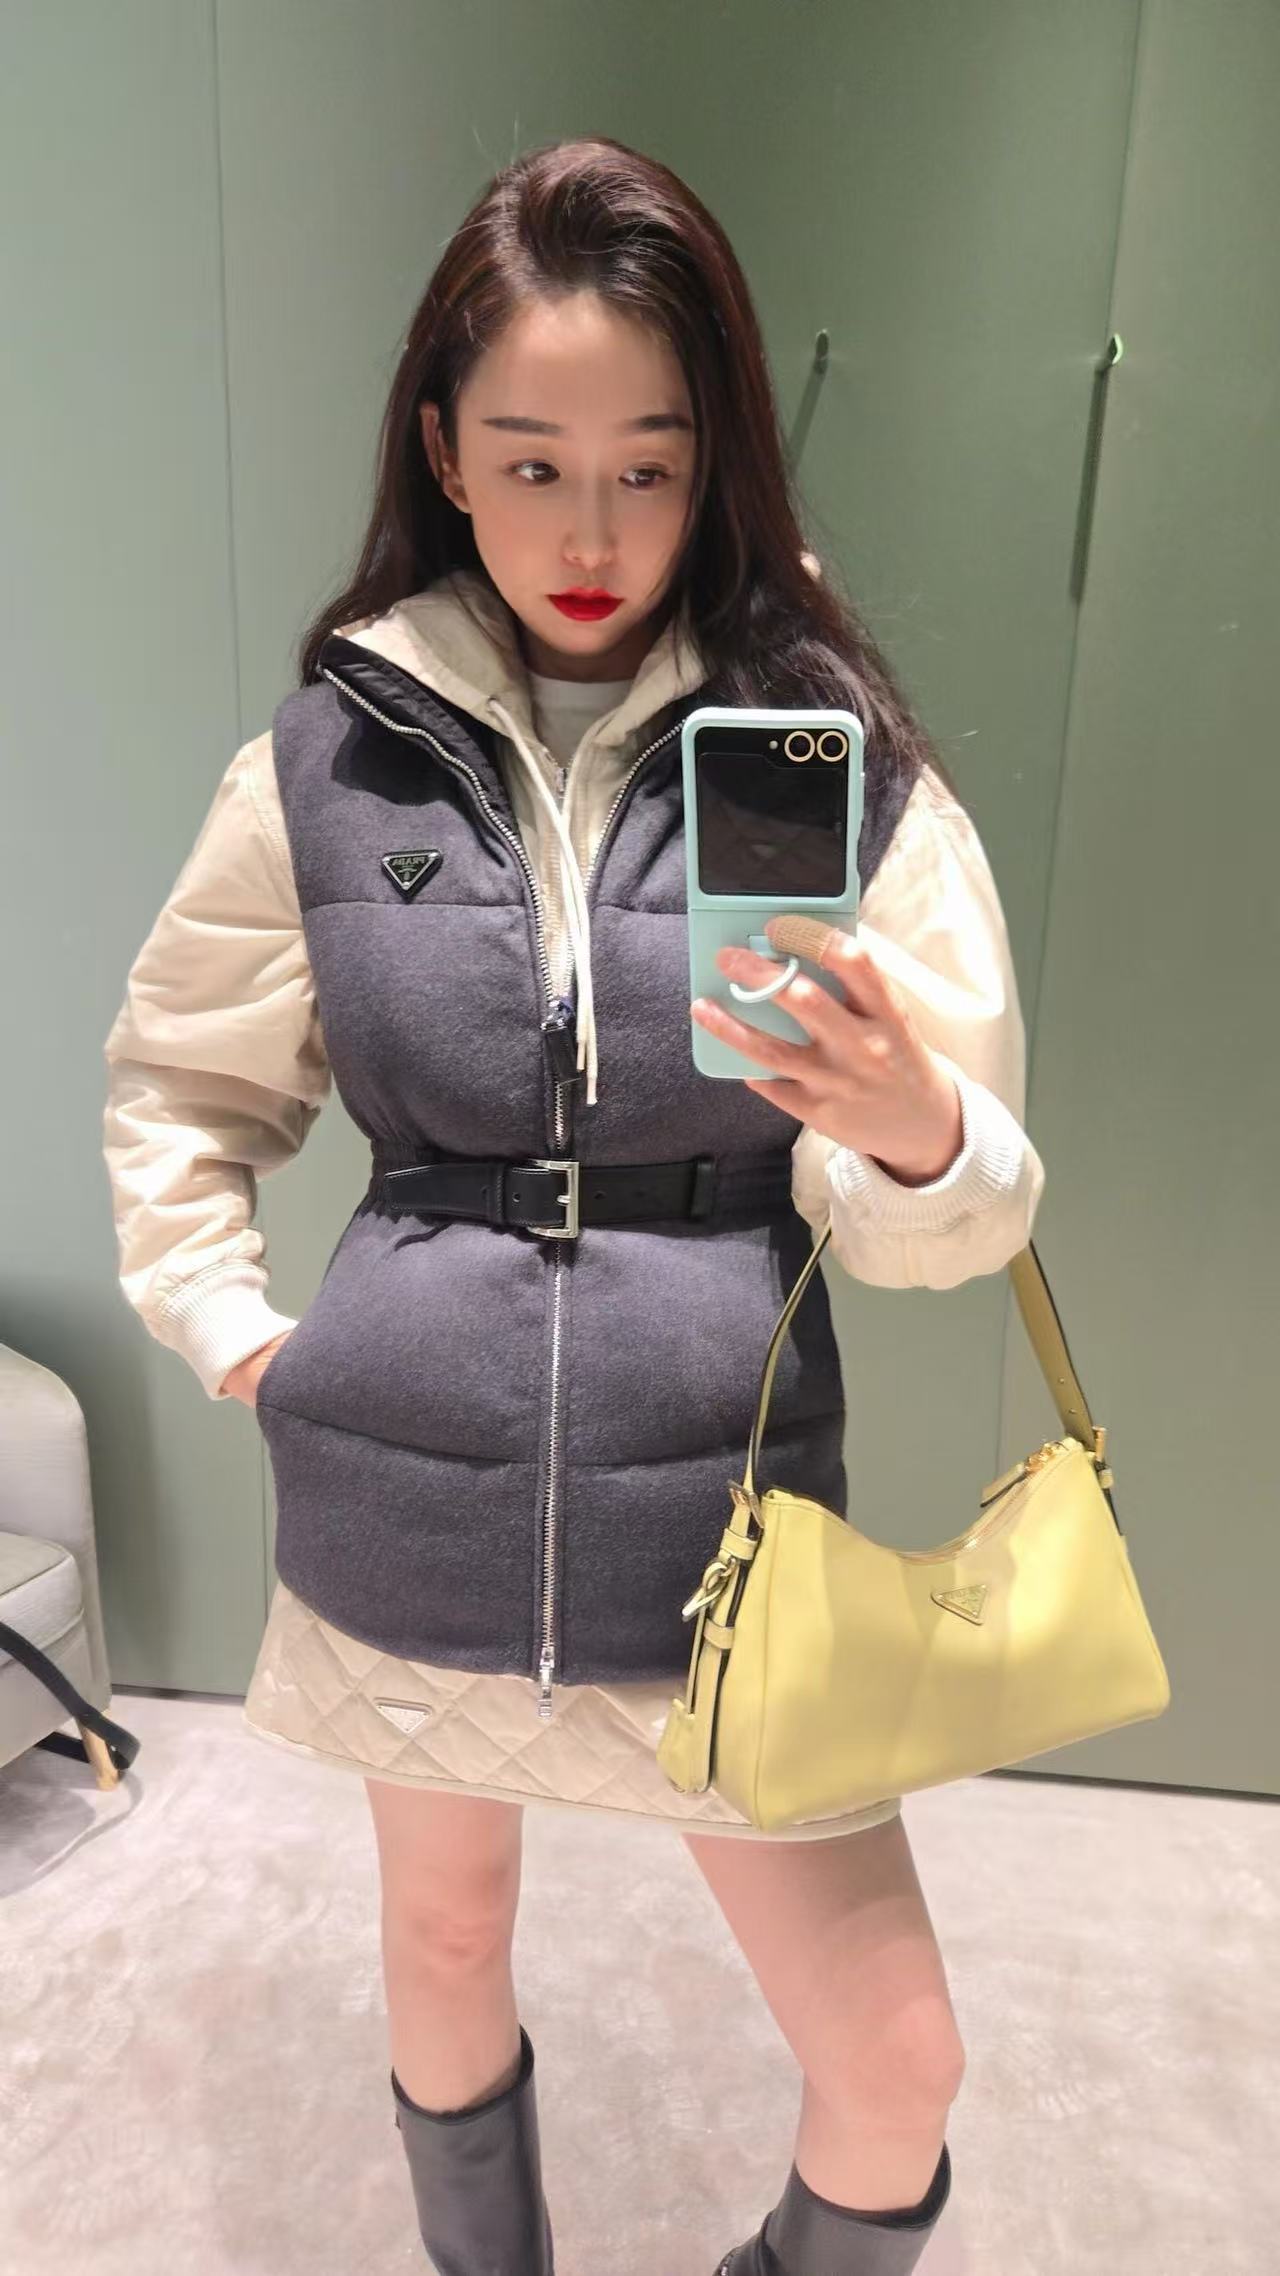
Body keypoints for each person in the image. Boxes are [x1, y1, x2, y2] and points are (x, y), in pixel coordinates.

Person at [102, 136, 1045, 2276]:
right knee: (442, 1941)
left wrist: (913, 1132)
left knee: (894, 2059)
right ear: (442, 452)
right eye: (531, 464)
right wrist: (236, 1328)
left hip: (722, 1527)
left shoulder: (812, 755)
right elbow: (185, 1082)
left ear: (720, 464)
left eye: (647, 465)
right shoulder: (327, 763)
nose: (591, 532)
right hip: (402, 1489)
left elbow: (943, 1223)